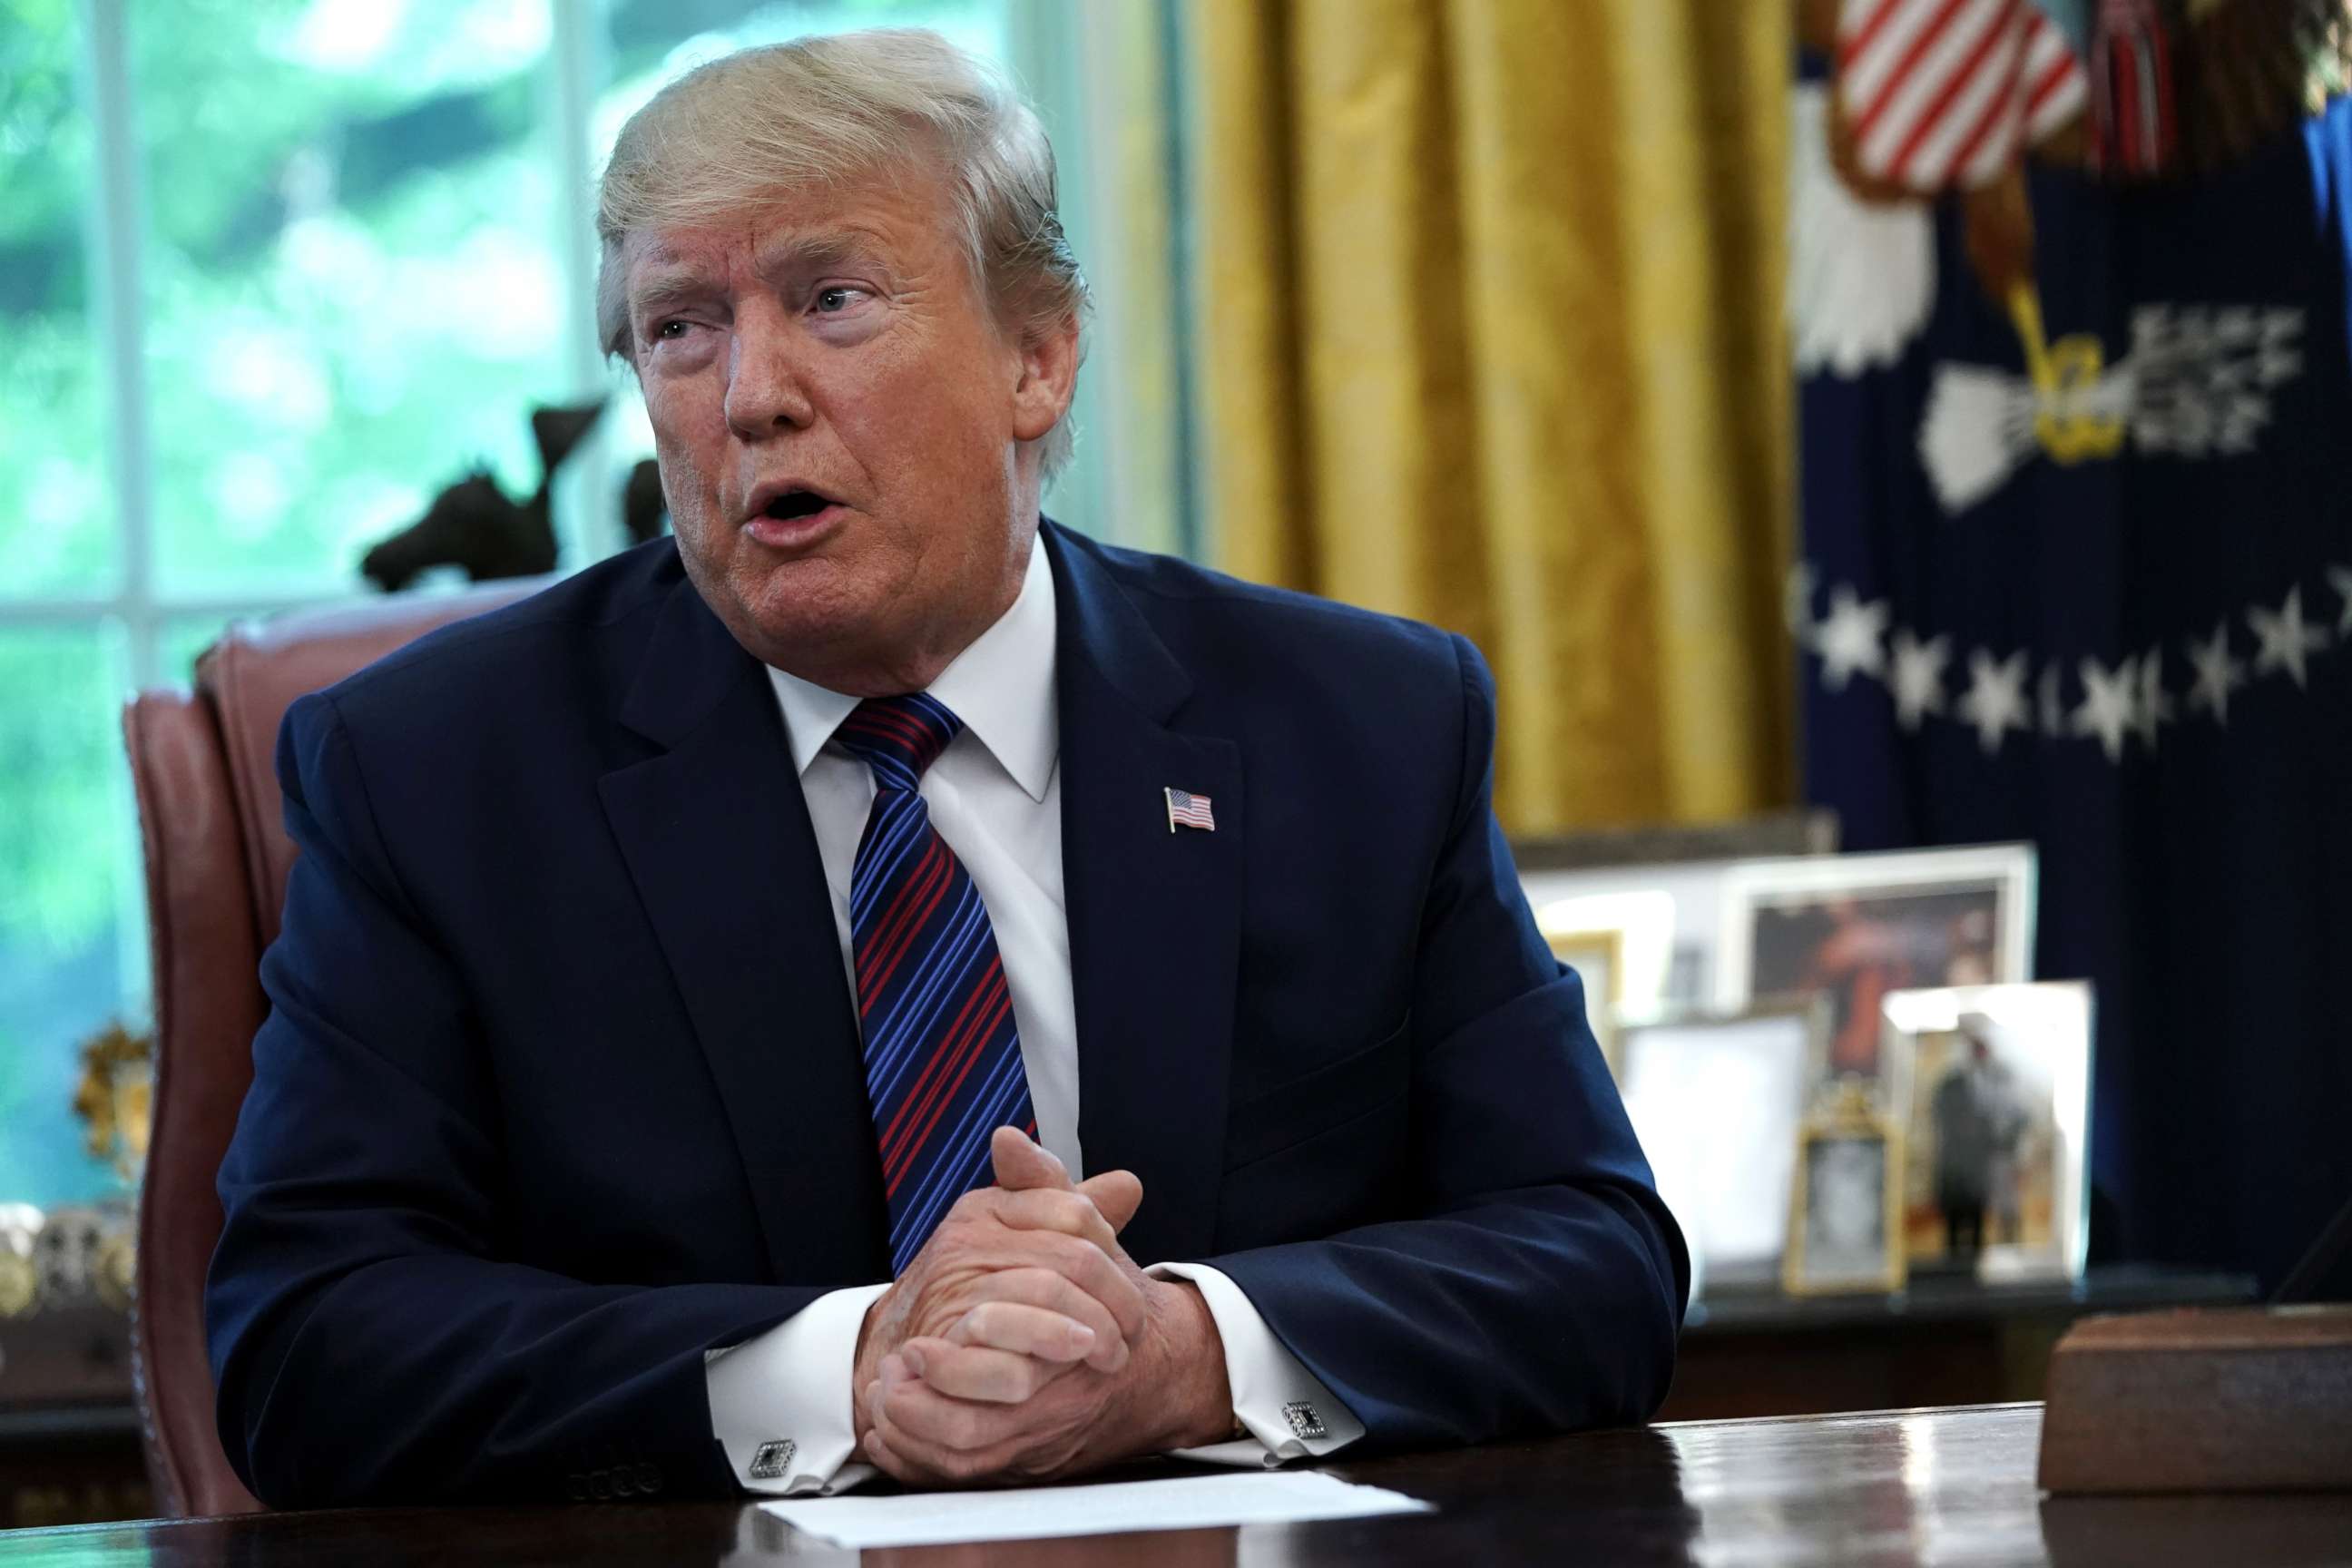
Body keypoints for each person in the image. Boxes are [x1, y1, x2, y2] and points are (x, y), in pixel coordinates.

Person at [205, 29, 1687, 1506]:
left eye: (832, 300)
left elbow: (1595, 1257)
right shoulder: (435, 774)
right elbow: (303, 1342)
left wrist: (1178, 1351)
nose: (750, 398)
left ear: (1035, 356)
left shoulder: (1359, 727)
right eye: (680, 328)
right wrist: (849, 1366)